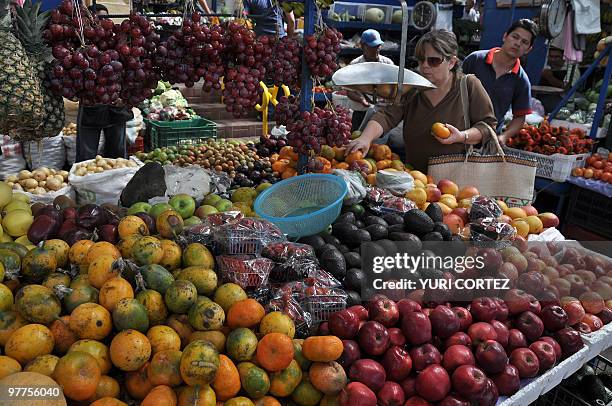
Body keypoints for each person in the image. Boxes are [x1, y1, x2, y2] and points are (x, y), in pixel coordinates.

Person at [345, 30, 497, 173]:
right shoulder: (413, 85)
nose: (424, 66)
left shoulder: (468, 85)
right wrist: (365, 138)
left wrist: (462, 136)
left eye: (434, 61)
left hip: (455, 180)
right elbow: (387, 115)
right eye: (421, 59)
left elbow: (487, 125)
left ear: (451, 62)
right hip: (416, 177)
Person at [462, 19, 538, 144]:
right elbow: (452, 89)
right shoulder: (475, 59)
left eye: (524, 42)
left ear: (528, 49)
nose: (518, 43)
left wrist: (504, 136)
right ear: (505, 36)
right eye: (515, 37)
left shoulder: (521, 80)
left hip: (487, 140)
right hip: (458, 130)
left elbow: (519, 117)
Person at [76, 4, 134, 162]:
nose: (103, 22)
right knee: (86, 156)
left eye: (105, 18)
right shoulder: (83, 43)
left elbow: (129, 68)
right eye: (99, 18)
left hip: (116, 105)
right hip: (91, 105)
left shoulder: (117, 40)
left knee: (117, 155)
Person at [347, 29, 395, 131]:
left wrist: (388, 97)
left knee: (379, 145)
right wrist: (362, 100)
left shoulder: (388, 64)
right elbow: (349, 92)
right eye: (373, 46)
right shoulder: (355, 65)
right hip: (360, 113)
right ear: (363, 46)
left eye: (378, 46)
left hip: (382, 112)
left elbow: (394, 88)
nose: (376, 49)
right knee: (357, 140)